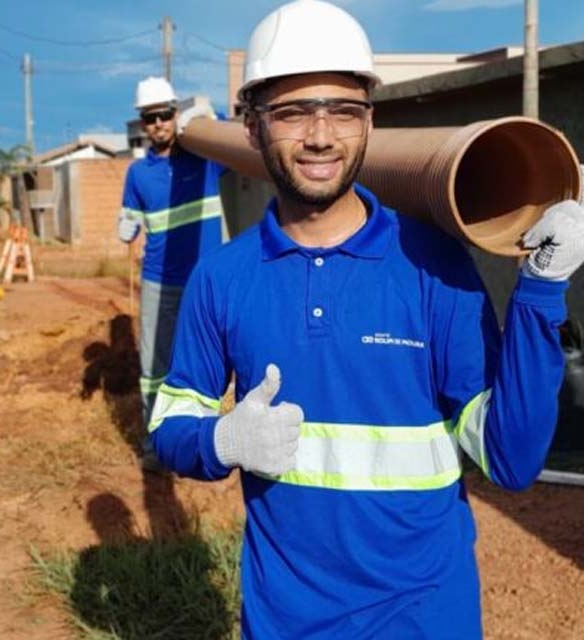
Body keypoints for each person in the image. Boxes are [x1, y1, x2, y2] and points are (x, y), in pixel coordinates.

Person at [148, 0, 584, 637]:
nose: (321, 136)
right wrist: (219, 441)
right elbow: (169, 424)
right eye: (293, 112)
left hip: (426, 619)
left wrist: (541, 291)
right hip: (284, 622)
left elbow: (510, 460)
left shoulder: (434, 265)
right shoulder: (224, 277)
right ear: (251, 127)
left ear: (369, 122)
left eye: (343, 111)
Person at [117, 76, 226, 472]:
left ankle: (206, 440)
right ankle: (156, 442)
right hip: (159, 282)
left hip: (206, 282)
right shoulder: (137, 174)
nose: (158, 124)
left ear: (175, 114)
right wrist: (125, 225)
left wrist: (205, 117)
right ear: (142, 124)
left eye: (164, 115)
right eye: (150, 118)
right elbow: (129, 218)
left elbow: (238, 133)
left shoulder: (205, 159)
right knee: (154, 367)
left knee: (209, 361)